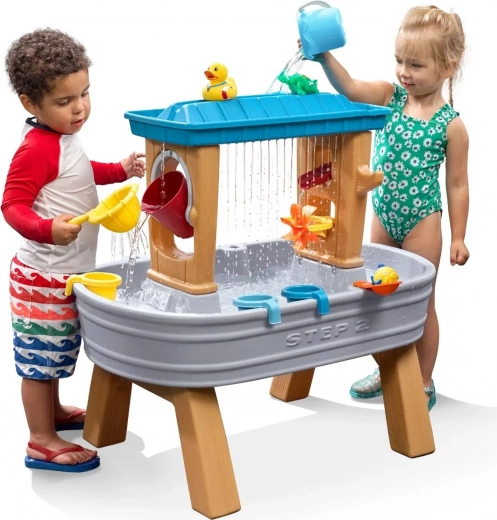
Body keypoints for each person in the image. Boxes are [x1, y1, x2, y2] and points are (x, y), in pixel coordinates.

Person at [301, 5, 470, 411]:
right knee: (378, 295)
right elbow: (350, 88)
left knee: (420, 302)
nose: (404, 72)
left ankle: (422, 380)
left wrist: (459, 236)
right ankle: (388, 369)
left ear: (448, 67)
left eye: (416, 65)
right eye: (399, 60)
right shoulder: (389, 98)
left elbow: (458, 184)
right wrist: (324, 56)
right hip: (383, 213)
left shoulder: (451, 125)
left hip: (422, 220)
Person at [2, 28, 145, 472]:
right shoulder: (35, 150)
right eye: (64, 101)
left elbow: (79, 172)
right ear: (30, 104)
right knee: (38, 362)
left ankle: (55, 413)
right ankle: (40, 440)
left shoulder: (63, 137)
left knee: (56, 352)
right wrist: (46, 229)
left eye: (84, 94)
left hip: (65, 272)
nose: (79, 107)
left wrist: (117, 170)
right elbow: (12, 205)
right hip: (42, 277)